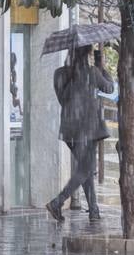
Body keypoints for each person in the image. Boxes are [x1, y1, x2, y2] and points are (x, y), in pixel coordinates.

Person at [47, 45, 114, 222]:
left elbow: (63, 100)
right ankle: (58, 201)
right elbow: (109, 88)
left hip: (70, 130)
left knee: (85, 169)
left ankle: (94, 210)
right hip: (88, 130)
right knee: (87, 168)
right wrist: (102, 67)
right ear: (86, 55)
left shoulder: (59, 74)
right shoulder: (91, 73)